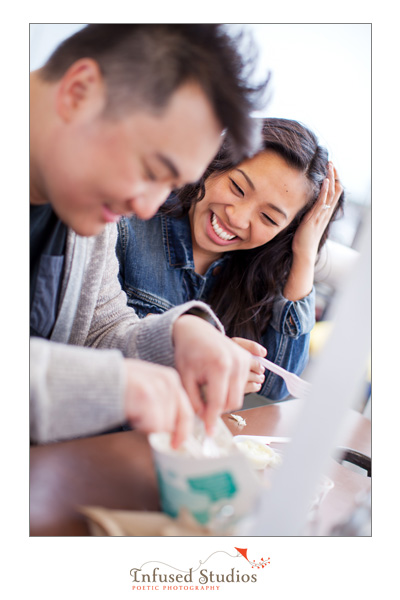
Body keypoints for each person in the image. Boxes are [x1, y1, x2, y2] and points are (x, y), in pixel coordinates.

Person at [30, 24, 270, 447]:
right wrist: (109, 385)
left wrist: (178, 335)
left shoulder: (80, 204)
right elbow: (97, 371)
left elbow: (99, 329)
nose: (145, 208)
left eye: (171, 185)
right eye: (151, 171)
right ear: (79, 92)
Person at [116, 118, 345, 400]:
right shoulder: (131, 220)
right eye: (237, 188)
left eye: (269, 218)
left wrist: (305, 254)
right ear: (217, 162)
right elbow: (92, 335)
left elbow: (276, 388)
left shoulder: (257, 272)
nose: (237, 217)